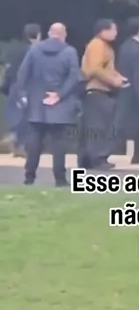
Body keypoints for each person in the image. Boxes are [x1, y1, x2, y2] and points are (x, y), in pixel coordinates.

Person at [16, 23, 80, 187]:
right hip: (60, 104)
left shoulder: (34, 50)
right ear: (64, 35)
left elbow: (23, 73)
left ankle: (29, 177)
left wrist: (23, 94)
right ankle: (60, 179)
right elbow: (74, 77)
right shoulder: (69, 52)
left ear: (49, 33)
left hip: (37, 102)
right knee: (59, 144)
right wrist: (60, 95)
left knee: (34, 143)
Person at [80, 19, 126, 170]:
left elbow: (107, 67)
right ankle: (96, 158)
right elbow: (95, 69)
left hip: (102, 90)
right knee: (98, 127)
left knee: (102, 125)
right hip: (97, 90)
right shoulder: (97, 45)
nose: (115, 33)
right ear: (103, 31)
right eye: (113, 30)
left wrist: (118, 76)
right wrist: (113, 81)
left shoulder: (104, 46)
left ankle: (94, 157)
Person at [115, 17, 139, 166]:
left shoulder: (124, 46)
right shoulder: (137, 48)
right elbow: (138, 74)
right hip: (134, 94)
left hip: (125, 91)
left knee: (123, 123)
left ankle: (128, 152)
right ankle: (138, 155)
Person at [1, 23, 42, 157]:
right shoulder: (35, 51)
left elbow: (8, 69)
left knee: (16, 115)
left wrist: (5, 86)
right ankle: (19, 144)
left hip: (13, 86)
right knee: (27, 116)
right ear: (37, 35)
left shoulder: (15, 50)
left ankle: (13, 137)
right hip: (27, 87)